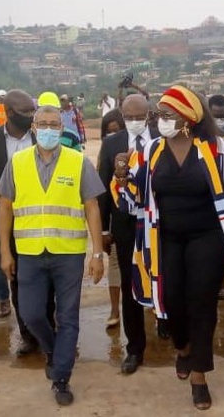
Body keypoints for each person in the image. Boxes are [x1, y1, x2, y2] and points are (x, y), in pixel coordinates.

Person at [113, 85, 224, 410]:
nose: (161, 120)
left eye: (168, 115)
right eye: (160, 115)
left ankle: (199, 375)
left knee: (201, 303)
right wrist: (121, 177)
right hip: (165, 237)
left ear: (188, 118)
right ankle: (182, 349)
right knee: (170, 300)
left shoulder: (216, 149)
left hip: (208, 237)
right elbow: (132, 196)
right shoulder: (152, 150)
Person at [0, 105, 106, 406]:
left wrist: (97, 253)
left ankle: (61, 377)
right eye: (42, 123)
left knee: (68, 316)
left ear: (62, 129)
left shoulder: (78, 162)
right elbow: (5, 206)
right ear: (34, 127)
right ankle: (53, 348)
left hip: (68, 253)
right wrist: (6, 252)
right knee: (32, 314)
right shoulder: (17, 163)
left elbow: (92, 208)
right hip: (30, 253)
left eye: (53, 124)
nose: (47, 129)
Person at [0, 89, 55, 355]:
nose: (31, 116)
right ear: (8, 113)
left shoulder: (43, 137)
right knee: (14, 275)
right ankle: (29, 333)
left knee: (45, 276)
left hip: (38, 219)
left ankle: (48, 328)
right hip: (1, 222)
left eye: (33, 110)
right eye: (26, 112)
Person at [97, 95, 155, 373]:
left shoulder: (163, 139)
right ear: (121, 115)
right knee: (131, 286)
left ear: (149, 114)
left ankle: (166, 325)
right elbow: (102, 192)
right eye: (129, 117)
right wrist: (105, 231)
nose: (134, 121)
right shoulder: (111, 144)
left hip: (158, 225)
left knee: (161, 278)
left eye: (139, 116)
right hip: (125, 226)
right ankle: (135, 348)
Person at [98, 107, 126, 328]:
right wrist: (104, 230)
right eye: (107, 132)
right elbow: (103, 194)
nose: (110, 135)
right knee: (115, 266)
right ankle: (115, 309)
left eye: (115, 130)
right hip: (117, 222)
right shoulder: (106, 151)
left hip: (143, 222)